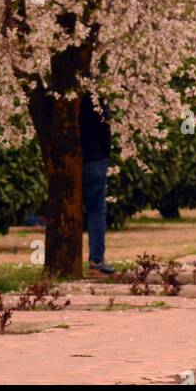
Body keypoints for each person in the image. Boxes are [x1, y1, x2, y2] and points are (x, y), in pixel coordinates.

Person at [80, 89, 115, 277]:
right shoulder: (94, 96)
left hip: (68, 158)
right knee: (96, 209)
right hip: (94, 158)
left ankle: (68, 259)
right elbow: (105, 127)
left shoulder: (55, 91)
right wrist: (105, 154)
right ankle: (96, 260)